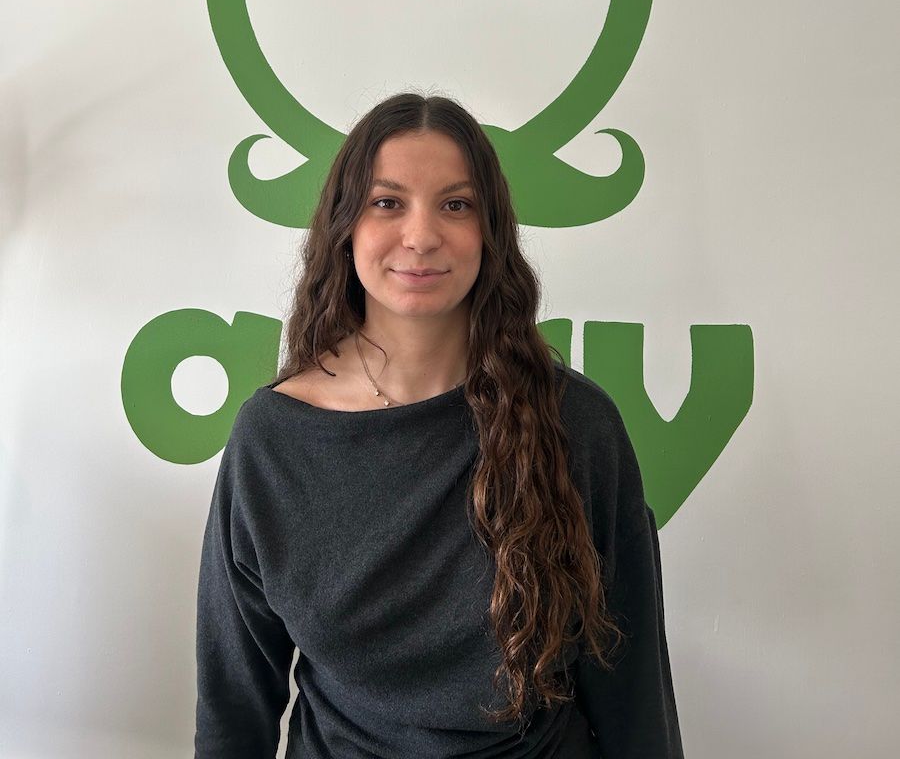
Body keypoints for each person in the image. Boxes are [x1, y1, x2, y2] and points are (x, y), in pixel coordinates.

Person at [194, 91, 684, 758]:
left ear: (491, 233)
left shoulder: (577, 424)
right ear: (345, 227)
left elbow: (633, 691)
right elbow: (233, 702)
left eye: (456, 205)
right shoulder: (272, 440)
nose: (421, 236)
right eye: (386, 202)